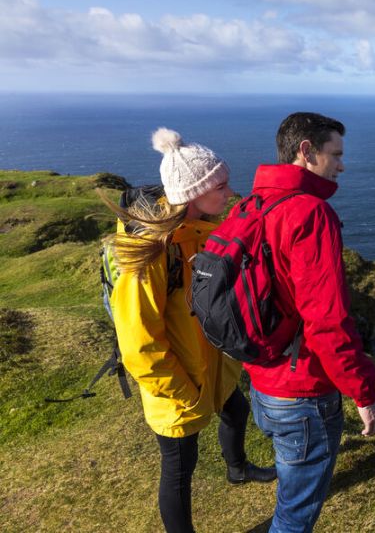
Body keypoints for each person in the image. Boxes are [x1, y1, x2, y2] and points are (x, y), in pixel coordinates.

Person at [103, 127, 276, 533]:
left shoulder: (199, 231)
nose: (230, 192)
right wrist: (180, 388)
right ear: (192, 193)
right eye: (220, 185)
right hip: (179, 379)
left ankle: (236, 469)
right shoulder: (152, 253)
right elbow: (138, 339)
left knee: (236, 409)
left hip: (211, 364)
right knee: (180, 467)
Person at [245, 112, 375, 532]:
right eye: (335, 154)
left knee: (291, 489)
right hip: (301, 390)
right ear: (306, 151)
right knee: (295, 516)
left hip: (262, 380)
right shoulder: (310, 213)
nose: (341, 165)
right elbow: (327, 321)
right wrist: (365, 395)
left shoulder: (254, 202)